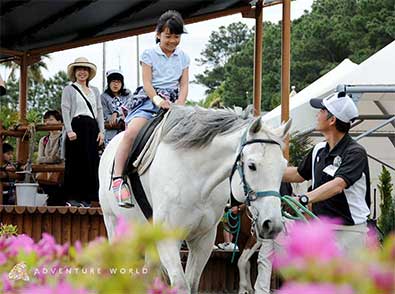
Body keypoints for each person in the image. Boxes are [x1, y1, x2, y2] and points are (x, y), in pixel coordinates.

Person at [255, 92, 370, 293]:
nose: (317, 114)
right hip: (321, 230)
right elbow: (298, 174)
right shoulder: (319, 150)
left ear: (332, 120)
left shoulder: (355, 152)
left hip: (349, 233)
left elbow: (338, 185)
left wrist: (305, 197)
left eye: (322, 110)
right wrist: (263, 170)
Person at [112, 10, 190, 207]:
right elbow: (147, 83)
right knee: (131, 133)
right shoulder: (149, 54)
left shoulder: (183, 57)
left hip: (174, 103)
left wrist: (180, 104)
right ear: (158, 35)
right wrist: (157, 100)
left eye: (176, 36)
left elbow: (184, 84)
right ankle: (118, 179)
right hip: (150, 99)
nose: (172, 40)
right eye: (168, 36)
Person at [61, 57, 105, 207]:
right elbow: (65, 110)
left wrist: (102, 131)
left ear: (89, 72)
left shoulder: (95, 90)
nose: (82, 72)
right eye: (79, 69)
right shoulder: (69, 89)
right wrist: (69, 130)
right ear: (74, 72)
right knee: (75, 162)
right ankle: (72, 198)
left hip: (92, 127)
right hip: (76, 125)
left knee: (91, 161)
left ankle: (87, 198)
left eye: (85, 69)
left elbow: (99, 111)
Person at [36, 110, 64, 206]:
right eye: (45, 120)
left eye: (51, 119)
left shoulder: (64, 137)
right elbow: (39, 158)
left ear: (59, 121)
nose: (47, 122)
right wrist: (50, 159)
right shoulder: (43, 140)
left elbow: (59, 158)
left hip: (60, 177)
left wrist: (46, 160)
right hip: (45, 177)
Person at [101, 69, 132, 145]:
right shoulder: (103, 97)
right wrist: (120, 120)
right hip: (111, 136)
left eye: (118, 82)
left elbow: (129, 108)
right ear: (109, 83)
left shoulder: (128, 95)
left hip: (127, 133)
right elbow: (106, 117)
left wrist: (116, 113)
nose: (116, 84)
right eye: (113, 81)